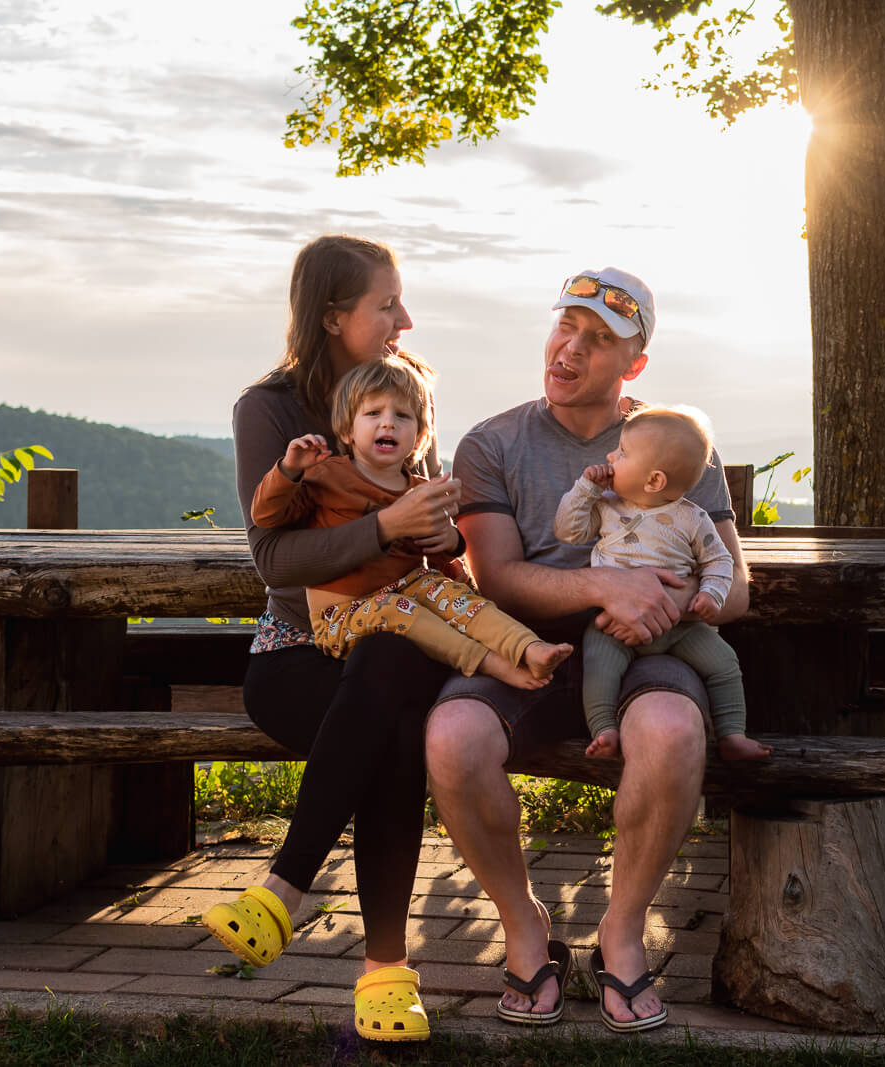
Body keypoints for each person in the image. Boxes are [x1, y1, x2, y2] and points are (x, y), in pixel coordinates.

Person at [424, 267, 751, 1033]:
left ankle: (622, 932)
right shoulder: (492, 443)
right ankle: (524, 923)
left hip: (650, 644)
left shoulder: (674, 440)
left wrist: (662, 603)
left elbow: (736, 588)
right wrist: (606, 587)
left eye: (598, 340)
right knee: (452, 738)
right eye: (565, 326)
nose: (569, 348)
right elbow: (496, 577)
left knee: (671, 733)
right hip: (527, 646)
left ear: (633, 365)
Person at [208, 235, 462, 1044]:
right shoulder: (271, 410)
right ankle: (386, 976)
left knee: (388, 662)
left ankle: (281, 892)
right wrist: (386, 524)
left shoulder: (404, 388)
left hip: (396, 643)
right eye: (387, 304)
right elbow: (273, 558)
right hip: (297, 651)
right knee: (389, 732)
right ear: (331, 317)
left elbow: (439, 533)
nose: (404, 318)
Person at [249, 355, 573, 689]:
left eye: (402, 416)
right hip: (341, 617)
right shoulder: (326, 476)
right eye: (373, 413)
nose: (387, 423)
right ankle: (489, 663)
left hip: (410, 597)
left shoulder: (420, 490)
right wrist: (288, 471)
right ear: (347, 429)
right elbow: (267, 515)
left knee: (449, 595)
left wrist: (451, 541)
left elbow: (438, 559)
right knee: (399, 607)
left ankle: (527, 647)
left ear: (419, 436)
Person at [553, 405, 771, 762]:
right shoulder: (607, 506)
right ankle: (605, 728)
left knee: (724, 664)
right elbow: (568, 529)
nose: (611, 456)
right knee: (599, 668)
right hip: (614, 625)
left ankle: (732, 733)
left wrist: (709, 595)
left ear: (654, 480)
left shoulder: (692, 518)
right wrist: (585, 489)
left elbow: (719, 562)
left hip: (680, 629)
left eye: (622, 453)